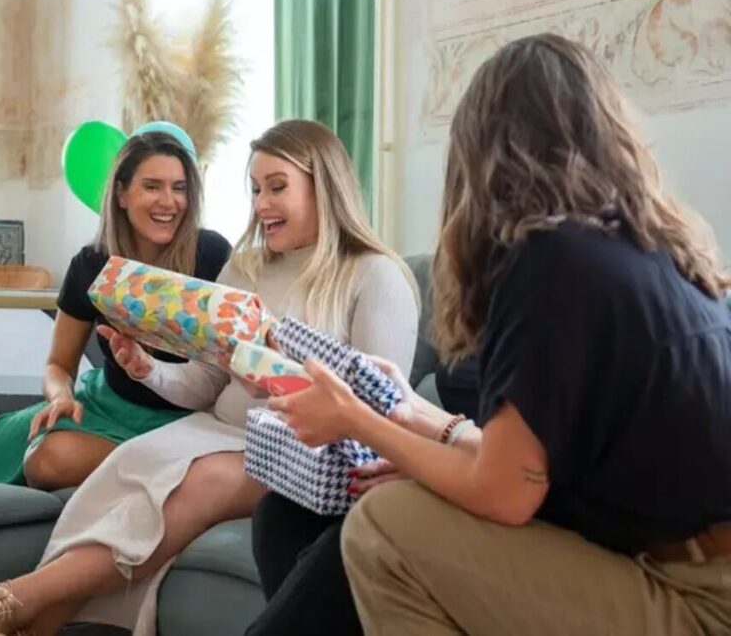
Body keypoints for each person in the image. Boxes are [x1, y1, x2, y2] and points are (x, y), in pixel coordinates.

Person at [273, 34, 731, 635]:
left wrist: (355, 420)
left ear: (482, 155)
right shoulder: (652, 254)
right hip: (692, 568)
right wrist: (413, 414)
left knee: (384, 526)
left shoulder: (552, 259)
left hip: (699, 598)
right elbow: (524, 469)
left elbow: (505, 494)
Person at [0, 119, 421, 636]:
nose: (261, 205)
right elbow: (206, 382)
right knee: (132, 466)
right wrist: (149, 368)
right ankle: (27, 626)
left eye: (277, 188)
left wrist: (278, 373)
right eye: (254, 190)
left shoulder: (375, 275)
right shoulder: (245, 270)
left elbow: (380, 406)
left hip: (301, 450)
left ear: (325, 186)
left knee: (192, 482)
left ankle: (9, 602)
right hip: (213, 427)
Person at [0, 131, 231, 490]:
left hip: (182, 425)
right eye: (152, 186)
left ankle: (161, 466)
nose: (168, 201)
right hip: (102, 404)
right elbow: (58, 365)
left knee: (47, 461)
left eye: (180, 188)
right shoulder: (92, 263)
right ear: (122, 194)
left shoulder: (213, 255)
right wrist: (62, 396)